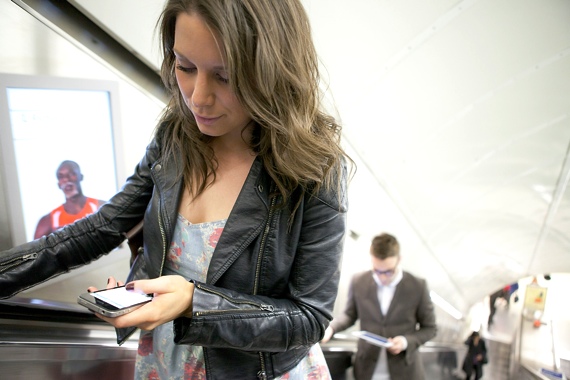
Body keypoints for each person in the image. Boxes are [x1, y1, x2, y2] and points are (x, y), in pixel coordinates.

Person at [0, 0, 351, 379]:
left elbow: (309, 318)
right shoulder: (175, 137)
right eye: (185, 67)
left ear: (271, 70)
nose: (198, 97)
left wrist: (193, 302)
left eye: (225, 76)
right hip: (166, 363)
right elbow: (102, 228)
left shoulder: (314, 170)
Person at [321, 233, 437, 380]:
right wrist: (331, 328)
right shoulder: (359, 281)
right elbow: (349, 315)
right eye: (377, 271)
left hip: (404, 370)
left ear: (398, 260)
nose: (382, 277)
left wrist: (405, 341)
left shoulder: (417, 286)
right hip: (366, 368)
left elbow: (430, 328)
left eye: (388, 272)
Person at [33, 160, 106, 239]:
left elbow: (119, 244)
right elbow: (34, 250)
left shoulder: (101, 208)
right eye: (61, 176)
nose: (66, 179)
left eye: (71, 174)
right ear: (58, 184)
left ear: (81, 177)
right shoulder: (49, 221)